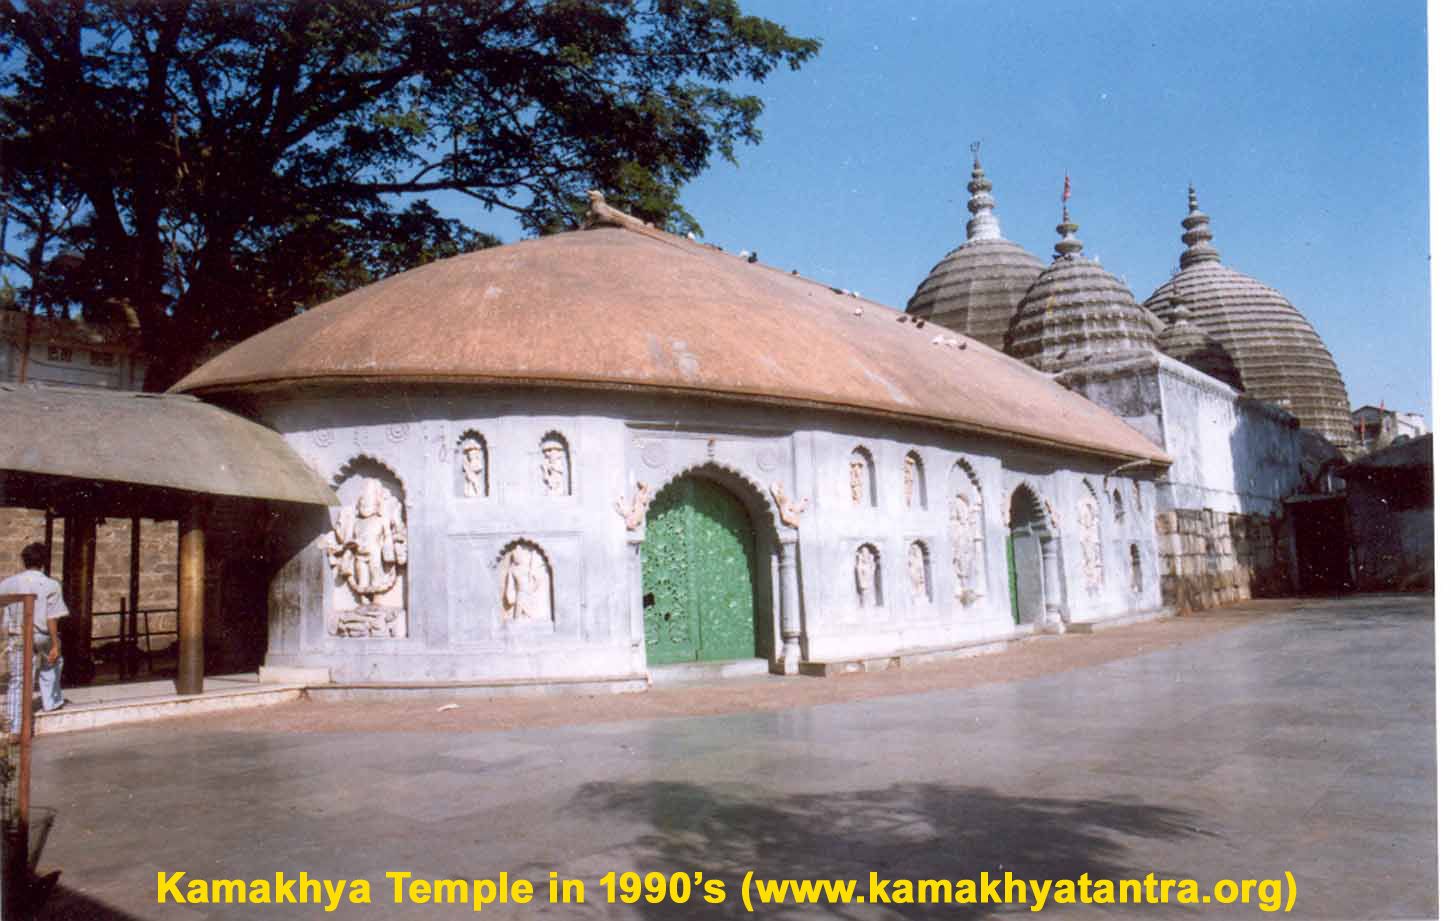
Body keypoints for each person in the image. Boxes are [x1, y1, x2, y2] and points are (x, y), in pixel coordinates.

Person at [1, 542, 69, 718]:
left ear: (24, 561)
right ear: (44, 562)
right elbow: (52, 617)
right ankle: (51, 702)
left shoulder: (8, 583)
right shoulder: (51, 585)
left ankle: (15, 720)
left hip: (18, 635)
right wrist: (55, 644)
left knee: (18, 677)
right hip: (42, 634)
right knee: (53, 662)